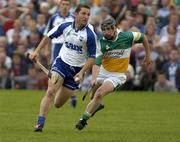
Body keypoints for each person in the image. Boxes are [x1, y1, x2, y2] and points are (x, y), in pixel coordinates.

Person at [29, 4, 97, 132]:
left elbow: (92, 57)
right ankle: (40, 124)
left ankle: (66, 89)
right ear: (75, 14)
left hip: (76, 71)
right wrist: (36, 51)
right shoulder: (65, 27)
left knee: (58, 104)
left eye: (88, 14)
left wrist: (82, 72)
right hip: (61, 63)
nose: (86, 17)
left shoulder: (90, 34)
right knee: (50, 92)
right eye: (83, 13)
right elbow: (48, 36)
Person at [75, 18, 152, 130]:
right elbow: (97, 62)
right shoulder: (101, 42)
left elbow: (143, 37)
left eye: (108, 30)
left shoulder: (127, 36)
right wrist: (94, 79)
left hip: (117, 75)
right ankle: (98, 105)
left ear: (115, 28)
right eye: (104, 30)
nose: (106, 33)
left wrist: (148, 55)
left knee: (99, 94)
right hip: (103, 71)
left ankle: (83, 120)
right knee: (93, 98)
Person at [43, 0, 77, 107]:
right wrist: (47, 49)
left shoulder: (73, 18)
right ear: (59, 5)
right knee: (56, 71)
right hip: (57, 46)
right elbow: (48, 34)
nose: (65, 6)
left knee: (70, 72)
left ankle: (71, 93)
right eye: (63, 4)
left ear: (70, 6)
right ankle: (57, 93)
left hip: (69, 47)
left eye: (67, 4)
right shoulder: (54, 18)